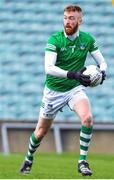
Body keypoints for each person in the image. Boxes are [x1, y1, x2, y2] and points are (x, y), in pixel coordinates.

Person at [19, 4, 107, 176]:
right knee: (41, 132)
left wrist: (102, 72)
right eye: (65, 18)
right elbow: (49, 68)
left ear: (80, 20)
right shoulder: (55, 40)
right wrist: (73, 74)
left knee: (87, 118)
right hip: (53, 91)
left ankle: (82, 162)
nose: (67, 21)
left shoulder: (87, 40)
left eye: (72, 18)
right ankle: (29, 157)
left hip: (74, 89)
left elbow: (102, 62)